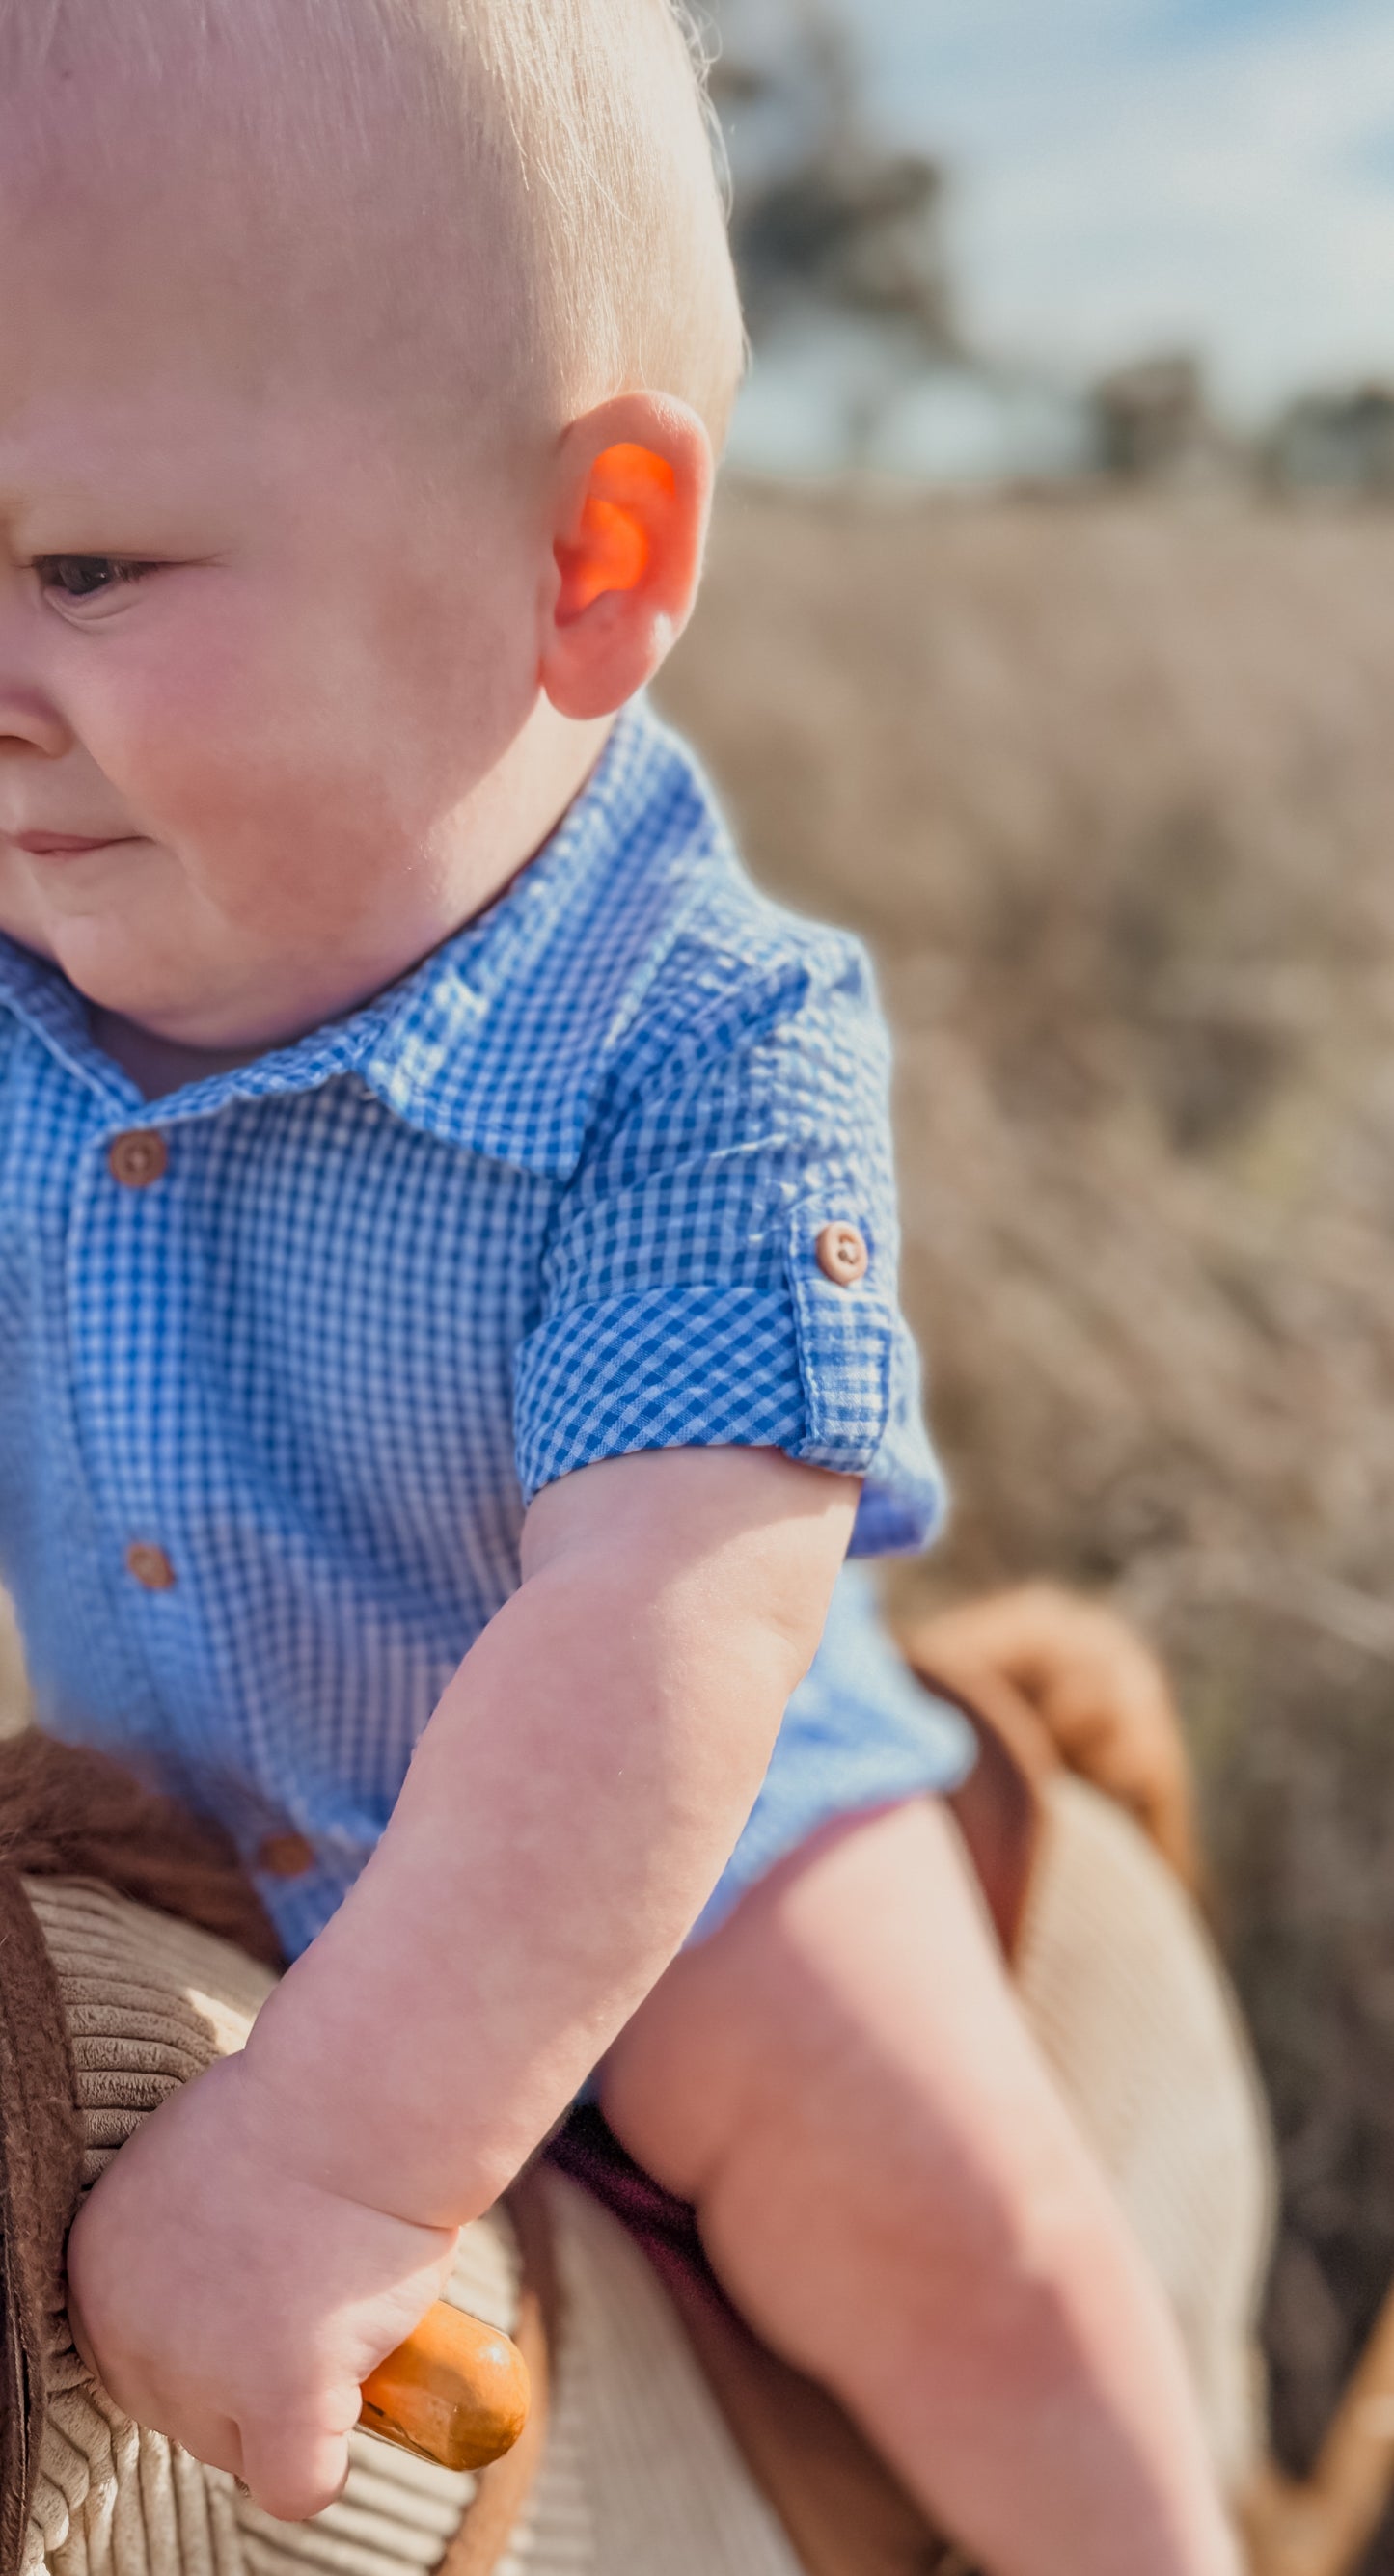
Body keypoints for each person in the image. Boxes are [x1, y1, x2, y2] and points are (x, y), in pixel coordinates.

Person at [0, 5, 1238, 2568]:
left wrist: (340, 2169)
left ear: (592, 562)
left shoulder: (698, 1051)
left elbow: (656, 1644)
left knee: (955, 2237)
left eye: (79, 566)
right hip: (183, 1792)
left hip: (666, 1859)